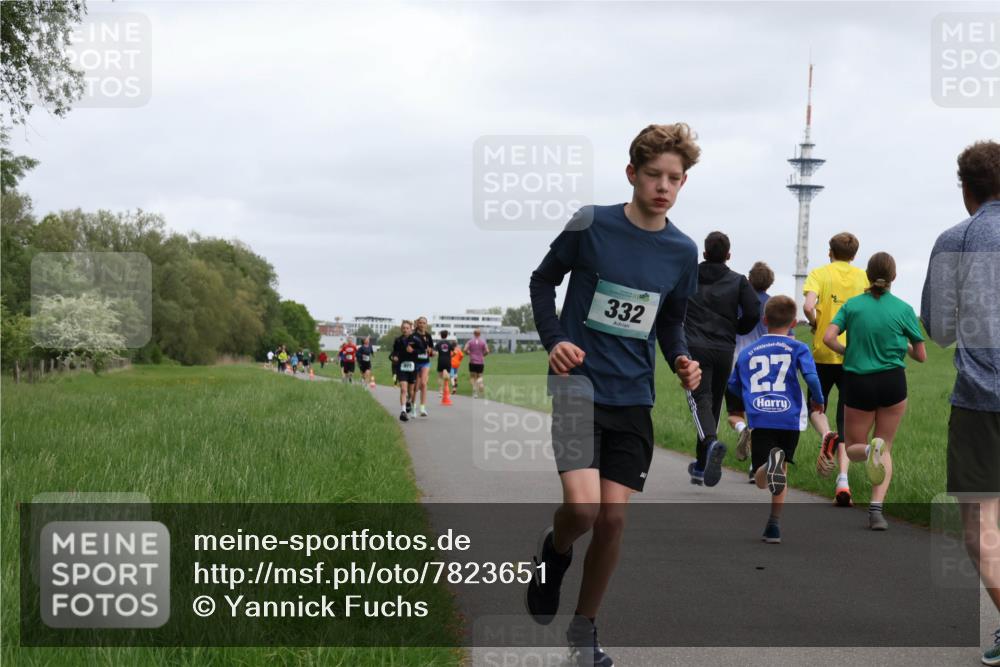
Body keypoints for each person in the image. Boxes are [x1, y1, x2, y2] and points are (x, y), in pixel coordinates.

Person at [526, 122, 702, 667]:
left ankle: (585, 630)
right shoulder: (592, 224)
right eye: (654, 175)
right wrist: (555, 340)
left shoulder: (681, 251)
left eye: (675, 178)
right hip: (579, 387)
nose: (664, 186)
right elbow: (541, 281)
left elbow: (671, 323)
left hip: (634, 398)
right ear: (632, 174)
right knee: (581, 510)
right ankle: (553, 554)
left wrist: (679, 359)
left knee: (614, 519)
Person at [920, 139, 1000, 665]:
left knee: (981, 524)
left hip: (981, 399)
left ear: (966, 190)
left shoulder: (958, 239)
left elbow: (940, 331)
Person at [820, 252, 926, 530]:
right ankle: (877, 511)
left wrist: (847, 351)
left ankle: (869, 449)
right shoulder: (904, 309)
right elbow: (922, 355)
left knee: (855, 448)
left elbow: (828, 337)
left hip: (858, 381)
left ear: (867, 275)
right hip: (893, 381)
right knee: (886, 447)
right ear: (894, 277)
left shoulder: (853, 306)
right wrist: (901, 345)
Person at [728, 295, 825, 544]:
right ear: (794, 322)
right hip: (790, 417)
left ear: (764, 320)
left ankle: (766, 466)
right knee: (780, 471)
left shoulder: (748, 351)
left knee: (763, 477)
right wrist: (818, 399)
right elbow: (812, 378)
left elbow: (733, 386)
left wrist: (749, 398)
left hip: (761, 417)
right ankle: (773, 525)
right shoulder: (798, 348)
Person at [682, 230, 760, 486]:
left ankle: (710, 443)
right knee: (712, 404)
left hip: (694, 346)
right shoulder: (739, 281)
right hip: (724, 350)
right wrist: (736, 328)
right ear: (728, 255)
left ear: (704, 253)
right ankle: (701, 465)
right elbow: (752, 312)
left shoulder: (688, 274)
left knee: (699, 400)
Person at [803, 232, 869, 507]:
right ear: (854, 255)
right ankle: (843, 481)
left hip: (822, 353)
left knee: (816, 407)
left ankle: (825, 435)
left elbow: (808, 306)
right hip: (852, 357)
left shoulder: (819, 273)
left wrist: (817, 323)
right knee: (848, 420)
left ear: (829, 251)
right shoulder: (863, 277)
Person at [728, 261, 784, 481]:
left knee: (734, 413)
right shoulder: (773, 305)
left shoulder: (739, 301)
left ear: (749, 279)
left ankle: (742, 429)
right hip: (765, 367)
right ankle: (755, 466)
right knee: (760, 415)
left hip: (737, 362)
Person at [391, 321, 419, 422]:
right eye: (403, 328)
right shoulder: (398, 340)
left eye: (407, 328)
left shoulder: (416, 340)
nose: (405, 330)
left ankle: (409, 401)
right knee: (403, 389)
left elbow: (421, 351)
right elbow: (394, 352)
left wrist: (413, 351)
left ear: (411, 329)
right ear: (401, 329)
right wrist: (394, 357)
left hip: (412, 367)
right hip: (401, 367)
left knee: (411, 392)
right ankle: (403, 411)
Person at [413, 317, 435, 416]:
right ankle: (413, 408)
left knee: (423, 383)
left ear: (426, 324)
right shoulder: (413, 336)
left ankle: (422, 408)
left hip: (425, 362)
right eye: (420, 323)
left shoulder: (428, 336)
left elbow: (431, 350)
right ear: (417, 324)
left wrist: (432, 352)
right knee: (415, 387)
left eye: (424, 323)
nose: (422, 324)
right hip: (415, 363)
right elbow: (410, 349)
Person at [464, 329, 489, 398]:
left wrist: (469, 353)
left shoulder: (470, 341)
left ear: (474, 334)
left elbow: (465, 349)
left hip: (472, 361)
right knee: (480, 376)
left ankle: (475, 391)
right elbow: (487, 351)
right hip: (480, 362)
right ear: (480, 334)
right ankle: (480, 384)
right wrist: (483, 355)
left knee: (472, 377)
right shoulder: (483, 342)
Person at [434, 330, 453, 395]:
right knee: (447, 375)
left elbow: (435, 353)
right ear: (447, 335)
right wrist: (451, 356)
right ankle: (447, 390)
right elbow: (454, 352)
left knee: (440, 376)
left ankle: (440, 391)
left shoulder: (438, 343)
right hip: (448, 360)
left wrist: (436, 354)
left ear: (440, 335)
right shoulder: (449, 343)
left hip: (441, 360)